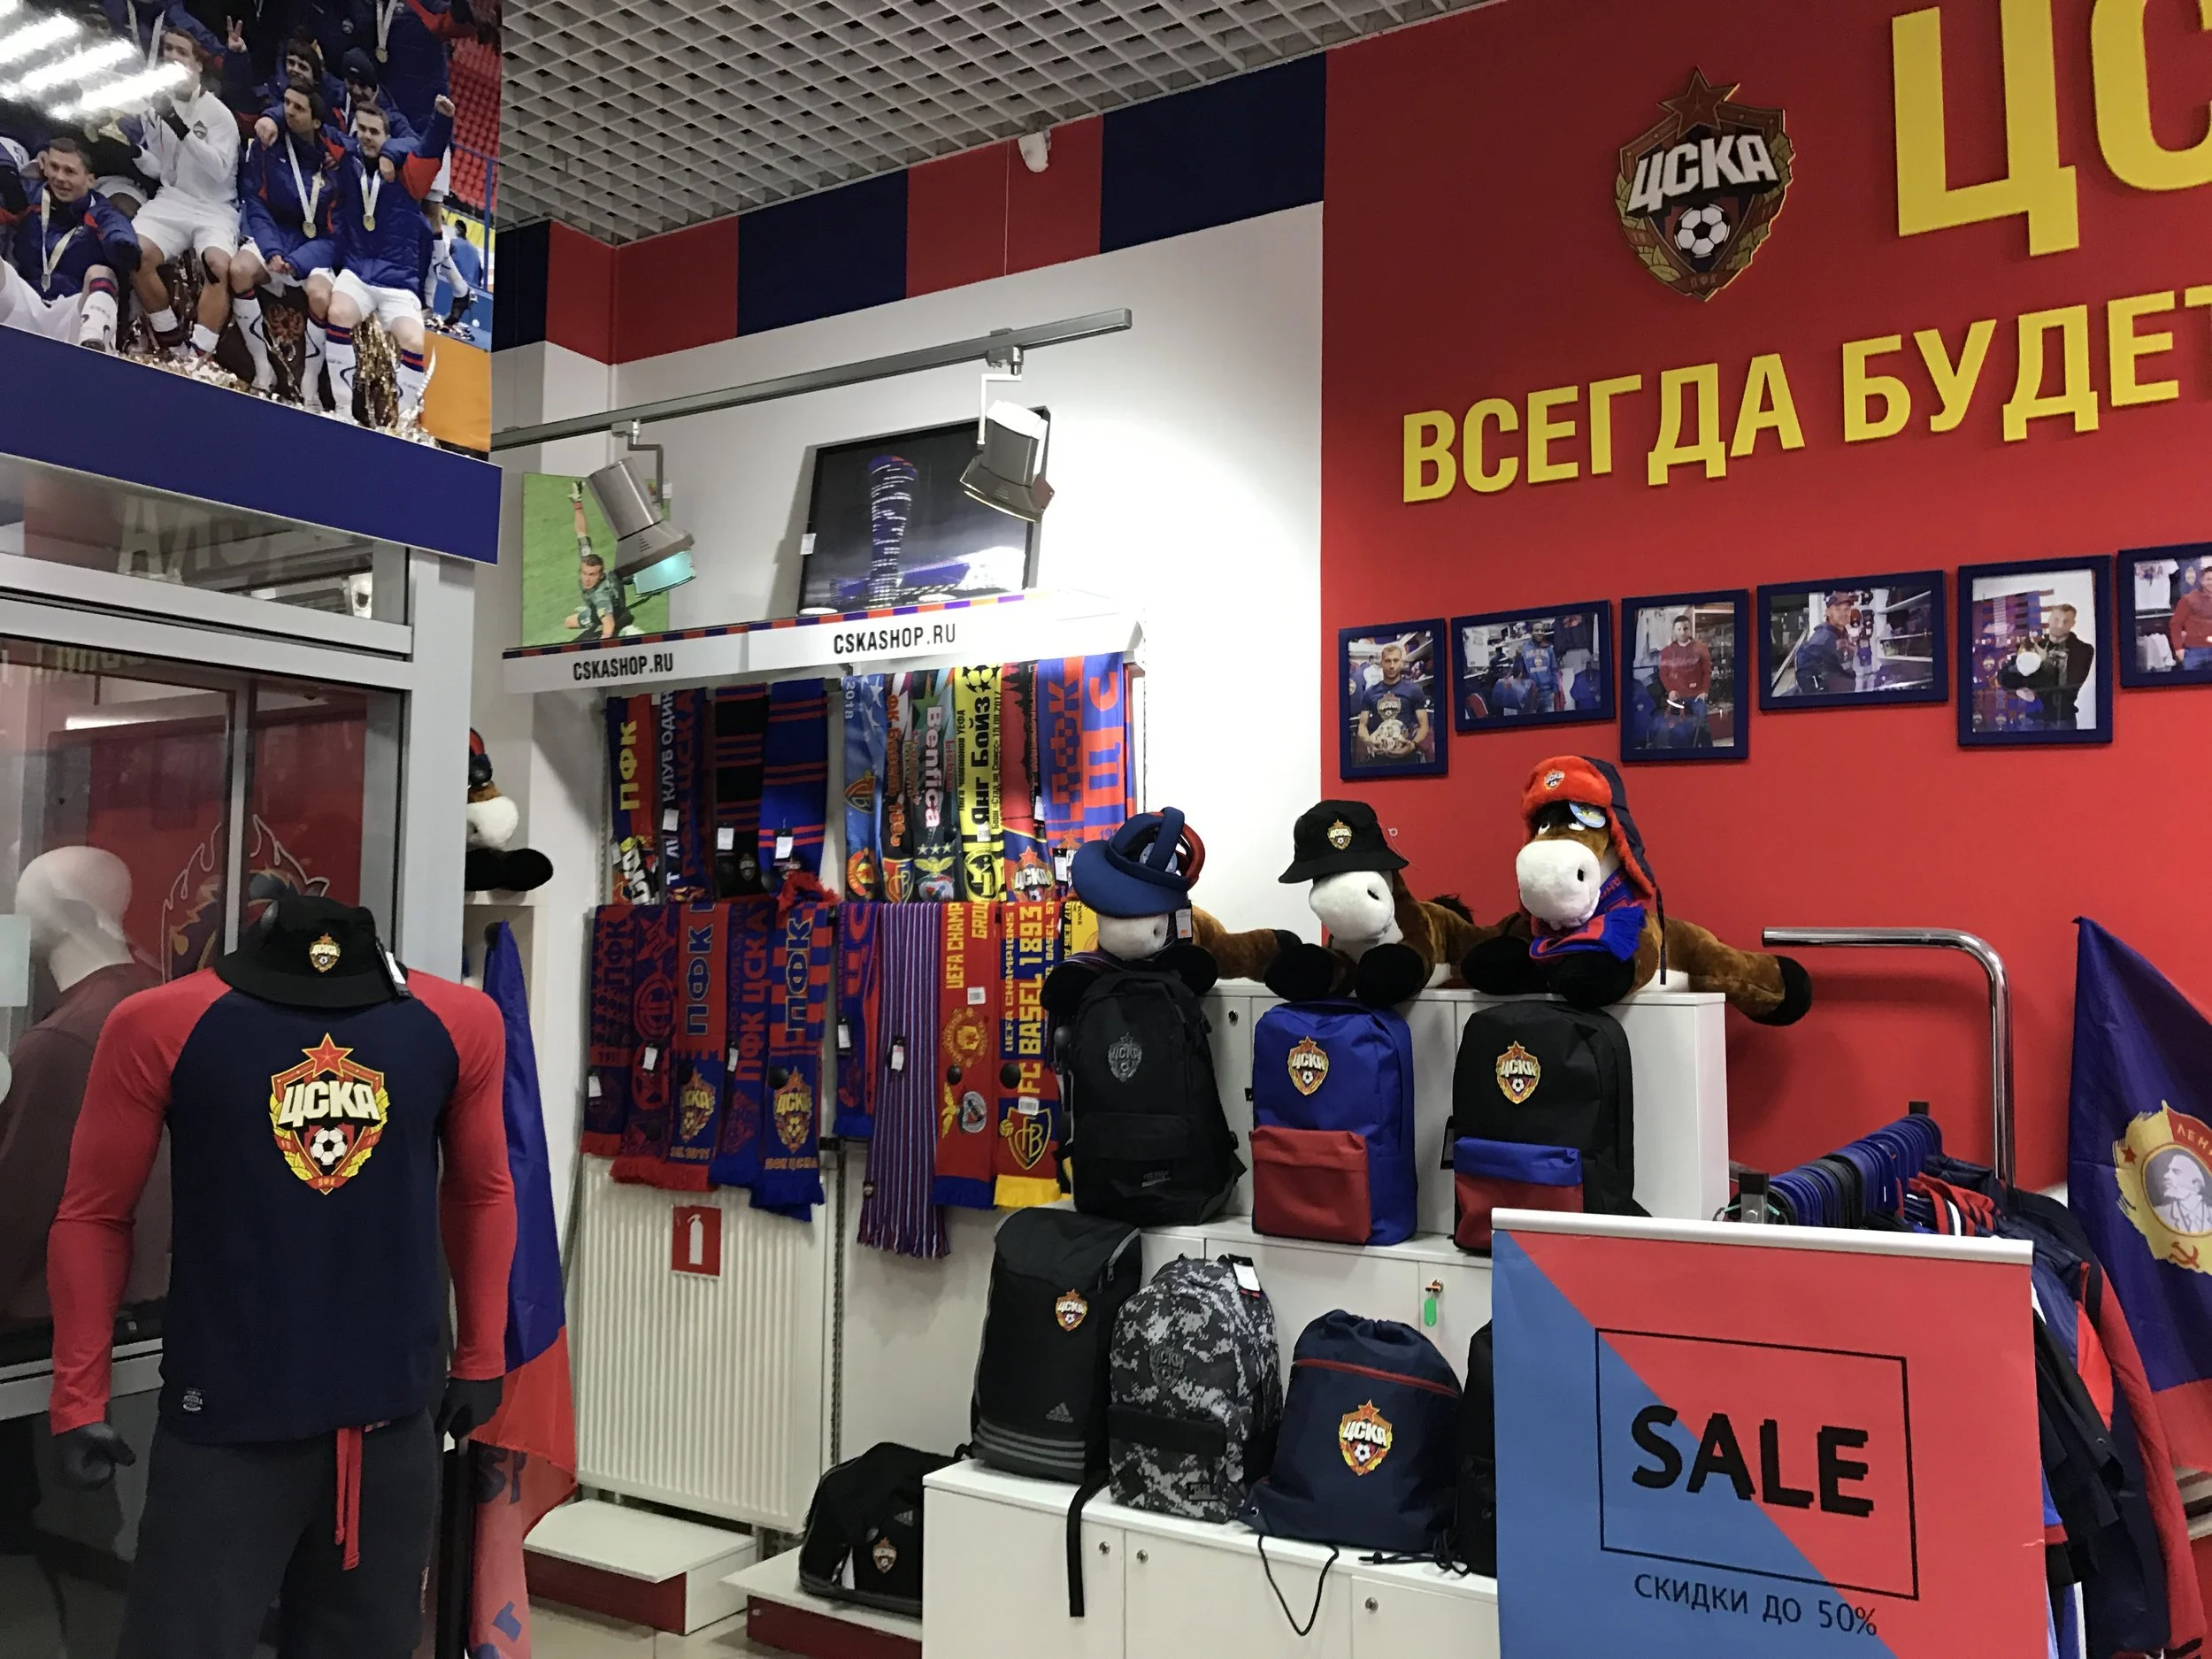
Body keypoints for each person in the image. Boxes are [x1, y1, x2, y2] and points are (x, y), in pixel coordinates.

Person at [324, 94, 452, 426]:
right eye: (362, 130)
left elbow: (429, 150)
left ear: (387, 137)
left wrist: (442, 121)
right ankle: (342, 410)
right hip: (357, 271)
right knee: (338, 313)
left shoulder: (407, 175)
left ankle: (402, 424)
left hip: (398, 282)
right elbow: (313, 125)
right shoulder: (348, 161)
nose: (367, 137)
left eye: (375, 132)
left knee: (414, 341)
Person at [126, 31, 241, 363]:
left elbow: (219, 171)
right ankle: (173, 343)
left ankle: (198, 357)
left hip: (215, 207)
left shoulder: (219, 114)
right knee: (134, 253)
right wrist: (130, 151)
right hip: (173, 199)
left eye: (182, 52)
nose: (173, 56)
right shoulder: (156, 108)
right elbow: (161, 168)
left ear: (197, 65)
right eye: (168, 50)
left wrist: (178, 126)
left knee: (218, 267)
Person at [230, 83, 342, 395]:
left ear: (316, 121)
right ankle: (262, 368)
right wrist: (271, 249)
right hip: (275, 235)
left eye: (298, 107)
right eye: (286, 104)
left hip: (314, 247)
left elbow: (339, 234)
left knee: (321, 297)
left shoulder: (337, 161)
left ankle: (309, 384)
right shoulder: (268, 146)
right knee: (239, 270)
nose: (289, 112)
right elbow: (255, 202)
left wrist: (299, 261)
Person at [0, 137, 137, 349]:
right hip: (25, 302)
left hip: (71, 313)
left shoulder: (100, 212)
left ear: (90, 180)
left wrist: (122, 245)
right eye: (54, 167)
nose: (59, 178)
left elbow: (116, 229)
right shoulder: (27, 197)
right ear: (44, 165)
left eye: (70, 172)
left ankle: (92, 351)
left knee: (101, 272)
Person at [1995, 603, 2094, 728]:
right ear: (2050, 619)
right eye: (2056, 619)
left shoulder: (2082, 650)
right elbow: (2004, 677)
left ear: (2072, 624)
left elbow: (2068, 686)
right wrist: (2018, 690)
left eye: (2066, 621)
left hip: (2061, 721)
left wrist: (2043, 661)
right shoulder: (2035, 646)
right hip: (2031, 720)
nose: (2060, 625)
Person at [1356, 639, 1431, 763]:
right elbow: (1362, 725)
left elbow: (1424, 725)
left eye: (1395, 661)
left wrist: (1413, 745)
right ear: (1381, 663)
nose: (1392, 666)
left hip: (1407, 755)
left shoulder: (1414, 690)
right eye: (1387, 661)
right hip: (1379, 756)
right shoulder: (1370, 693)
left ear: (1401, 662)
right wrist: (1368, 741)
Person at [1655, 612, 1713, 741]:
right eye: (1679, 629)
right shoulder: (1667, 651)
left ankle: (1706, 749)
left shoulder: (1701, 648)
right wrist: (1671, 690)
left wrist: (1704, 691)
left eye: (1685, 628)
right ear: (1674, 631)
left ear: (1690, 629)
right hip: (1677, 697)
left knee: (1702, 724)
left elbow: (1707, 671)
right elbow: (1663, 673)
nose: (1682, 632)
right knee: (1675, 727)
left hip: (1697, 696)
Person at [1791, 592, 1856, 695]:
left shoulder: (1841, 632)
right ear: (1828, 612)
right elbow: (1804, 672)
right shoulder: (1822, 638)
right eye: (1838, 609)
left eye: (1847, 609)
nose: (1843, 614)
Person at [2153, 1152, 2212, 1236]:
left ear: (2196, 1185)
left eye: (2176, 1172)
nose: (2166, 1176)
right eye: (2169, 1170)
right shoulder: (2158, 1213)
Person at [2168, 563, 2212, 672]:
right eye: (2209, 579)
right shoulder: (2188, 599)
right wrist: (2178, 648)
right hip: (2194, 652)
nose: (2211, 582)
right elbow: (2175, 624)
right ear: (2201, 581)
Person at [1516, 620, 1561, 713]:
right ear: (1531, 632)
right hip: (1531, 695)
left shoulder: (1549, 648)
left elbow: (1554, 670)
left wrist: (1555, 690)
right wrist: (1518, 657)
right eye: (1536, 630)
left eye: (1542, 630)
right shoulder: (1524, 649)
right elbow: (1517, 672)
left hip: (1547, 694)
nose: (1540, 633)